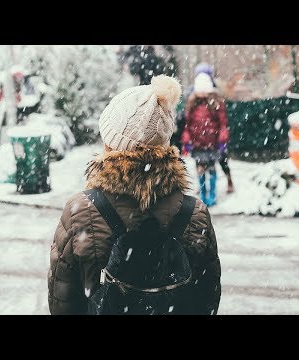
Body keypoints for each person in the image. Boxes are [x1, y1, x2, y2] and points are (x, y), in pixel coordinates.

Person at [48, 75, 221, 315]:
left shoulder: (81, 210)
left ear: (111, 143)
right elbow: (207, 298)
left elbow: (63, 297)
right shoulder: (194, 213)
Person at [182, 73, 233, 207]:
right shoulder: (192, 104)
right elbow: (187, 125)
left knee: (211, 168)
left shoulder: (216, 103)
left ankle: (212, 195)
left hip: (212, 143)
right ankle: (204, 193)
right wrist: (186, 141)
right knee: (200, 169)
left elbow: (223, 124)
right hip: (197, 144)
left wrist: (222, 140)